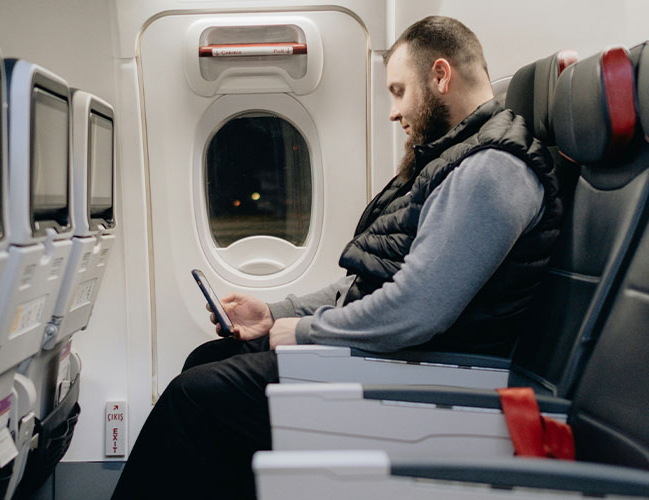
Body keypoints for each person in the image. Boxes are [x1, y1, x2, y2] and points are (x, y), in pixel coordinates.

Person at [111, 15, 562, 500]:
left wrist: (306, 332)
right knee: (208, 358)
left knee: (193, 402)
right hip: (398, 357)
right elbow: (371, 281)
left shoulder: (491, 170)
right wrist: (276, 314)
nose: (393, 111)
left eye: (398, 90)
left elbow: (416, 309)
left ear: (440, 76)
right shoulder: (451, 158)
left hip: (428, 375)